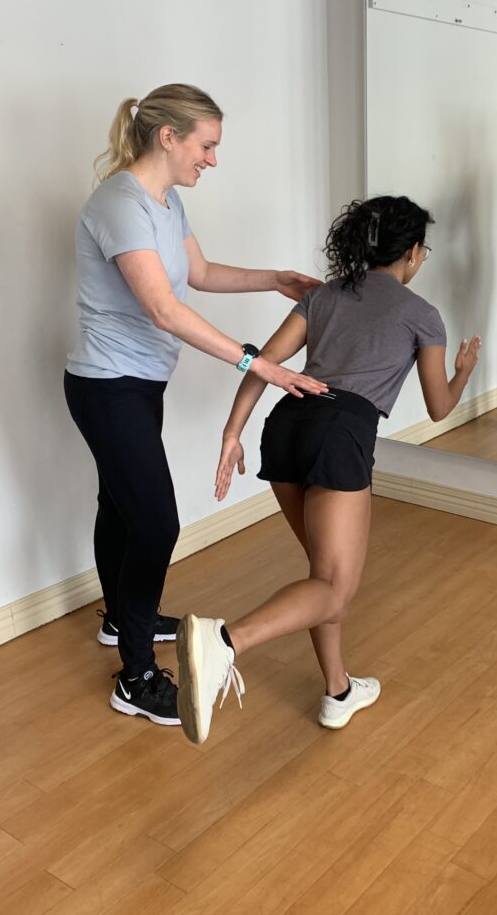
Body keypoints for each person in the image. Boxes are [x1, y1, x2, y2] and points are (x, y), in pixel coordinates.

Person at [64, 83, 328, 727]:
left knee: (121, 507)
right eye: (206, 146)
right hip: (106, 384)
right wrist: (255, 361)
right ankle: (136, 674)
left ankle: (121, 616)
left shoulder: (165, 201)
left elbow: (200, 274)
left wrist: (274, 278)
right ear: (169, 137)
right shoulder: (120, 203)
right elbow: (163, 307)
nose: (211, 159)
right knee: (156, 523)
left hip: (136, 383)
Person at [175, 195, 481, 745]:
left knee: (324, 575)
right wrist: (462, 373)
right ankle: (224, 642)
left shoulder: (325, 296)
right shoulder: (422, 315)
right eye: (423, 250)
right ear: (412, 253)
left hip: (286, 424)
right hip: (340, 433)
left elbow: (263, 364)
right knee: (335, 589)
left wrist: (231, 433)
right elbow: (439, 407)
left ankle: (338, 690)